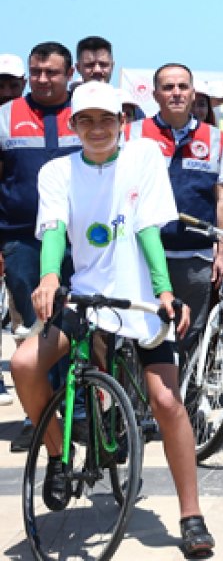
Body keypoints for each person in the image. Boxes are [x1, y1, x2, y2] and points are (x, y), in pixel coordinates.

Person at [12, 81, 214, 557]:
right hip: (87, 299)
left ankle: (191, 514)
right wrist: (46, 277)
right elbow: (55, 230)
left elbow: (147, 228)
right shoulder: (57, 171)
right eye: (87, 120)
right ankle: (58, 456)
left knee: (166, 401)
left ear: (121, 123)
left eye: (107, 120)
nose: (98, 129)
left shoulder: (142, 156)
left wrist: (163, 289)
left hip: (139, 299)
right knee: (24, 364)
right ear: (73, 125)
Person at [121, 63, 223, 369]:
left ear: (193, 92)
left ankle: (183, 408)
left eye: (183, 87)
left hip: (195, 254)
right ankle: (139, 409)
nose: (176, 93)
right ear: (155, 94)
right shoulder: (132, 134)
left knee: (189, 334)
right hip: (142, 254)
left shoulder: (214, 138)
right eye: (168, 87)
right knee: (141, 335)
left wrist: (221, 250)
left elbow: (222, 197)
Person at [0, 43, 80, 418]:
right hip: (20, 238)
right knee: (32, 327)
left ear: (71, 73)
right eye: (36, 72)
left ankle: (76, 410)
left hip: (77, 240)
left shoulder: (86, 115)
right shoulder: (6, 115)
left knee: (73, 324)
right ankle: (41, 417)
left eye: (52, 72)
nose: (43, 79)